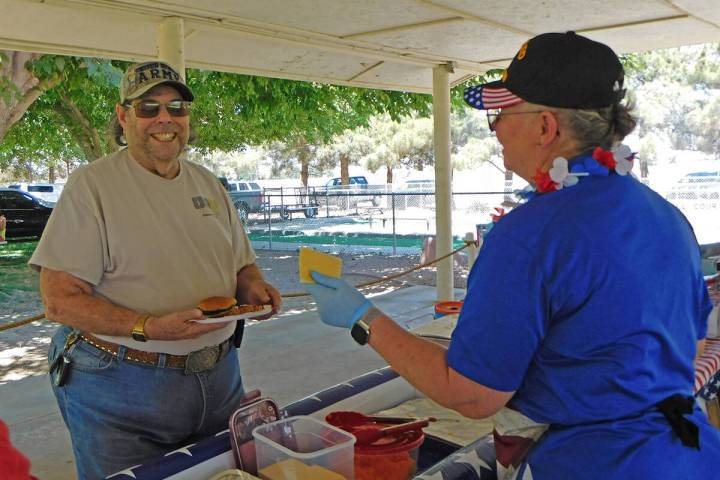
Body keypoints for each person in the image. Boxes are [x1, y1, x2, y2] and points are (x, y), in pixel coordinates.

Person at [305, 32, 720, 479]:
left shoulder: (530, 234)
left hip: (589, 464)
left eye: (501, 113)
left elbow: (472, 394)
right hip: (689, 454)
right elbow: (690, 346)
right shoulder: (668, 217)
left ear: (545, 126)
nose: (496, 128)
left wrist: (362, 317)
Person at [29, 61, 281, 479]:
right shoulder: (91, 187)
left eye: (177, 107)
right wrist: (147, 326)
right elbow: (58, 301)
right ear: (123, 116)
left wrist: (253, 288)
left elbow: (243, 266)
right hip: (120, 383)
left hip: (220, 379)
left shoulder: (208, 184)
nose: (165, 118)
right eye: (148, 107)